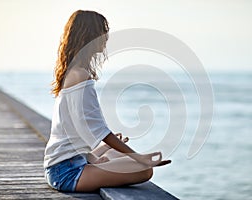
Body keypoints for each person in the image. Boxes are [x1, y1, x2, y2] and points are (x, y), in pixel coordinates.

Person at [44, 10, 171, 193]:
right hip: (67, 172)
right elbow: (99, 130)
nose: (106, 37)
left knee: (114, 152)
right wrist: (140, 158)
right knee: (145, 170)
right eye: (103, 31)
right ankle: (99, 161)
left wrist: (97, 153)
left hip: (66, 163)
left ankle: (95, 159)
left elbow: (79, 127)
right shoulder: (80, 76)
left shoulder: (72, 73)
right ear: (89, 36)